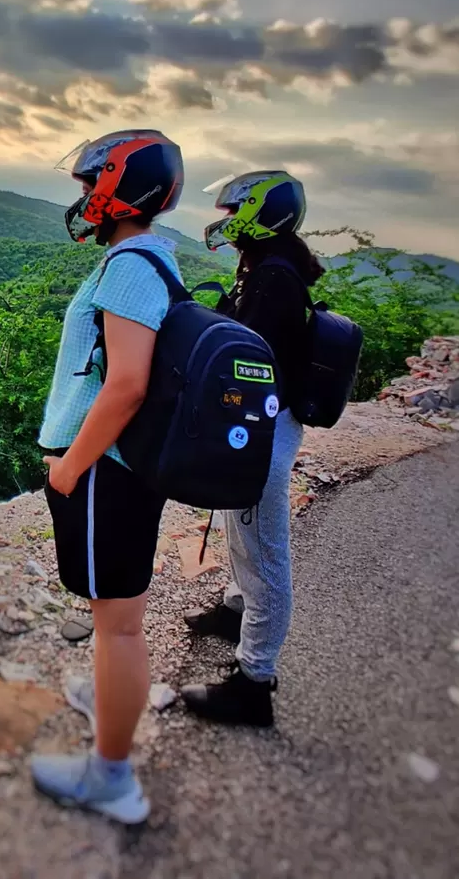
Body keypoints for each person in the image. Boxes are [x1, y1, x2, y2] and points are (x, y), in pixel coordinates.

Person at [29, 129, 185, 825]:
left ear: (125, 188)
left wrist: (68, 471)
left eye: (94, 183)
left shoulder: (128, 267)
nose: (85, 197)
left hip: (104, 475)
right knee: (115, 622)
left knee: (118, 628)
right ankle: (108, 698)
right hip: (121, 475)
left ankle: (111, 780)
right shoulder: (152, 259)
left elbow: (123, 386)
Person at [179, 169, 322, 728]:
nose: (227, 222)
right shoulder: (268, 270)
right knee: (243, 527)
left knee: (265, 549)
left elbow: (247, 361)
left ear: (264, 215)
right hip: (267, 423)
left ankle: (254, 681)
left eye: (236, 211)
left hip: (266, 430)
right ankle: (237, 609)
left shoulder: (273, 281)